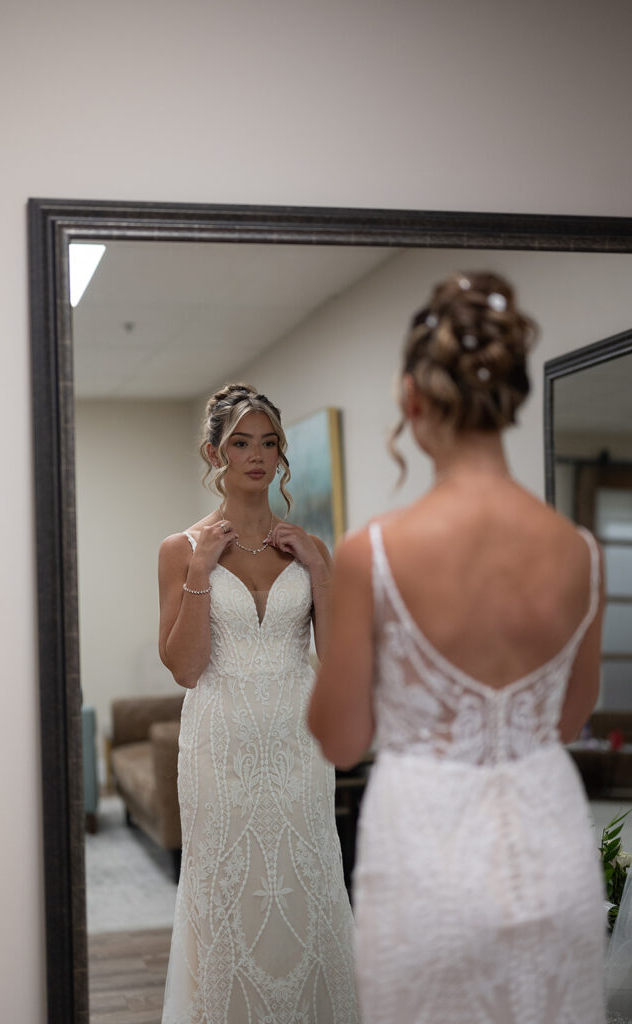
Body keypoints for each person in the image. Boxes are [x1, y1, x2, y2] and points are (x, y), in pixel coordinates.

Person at [308, 272, 606, 1024]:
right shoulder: (579, 551)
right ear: (508, 402)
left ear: (411, 399)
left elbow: (340, 738)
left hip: (426, 857)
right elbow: (569, 721)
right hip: (552, 847)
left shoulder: (372, 549)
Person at [158, 383, 358, 1024]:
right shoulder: (180, 550)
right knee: (227, 889)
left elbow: (337, 658)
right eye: (241, 442)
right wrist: (198, 574)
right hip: (220, 748)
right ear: (213, 452)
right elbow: (186, 668)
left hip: (299, 746)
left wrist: (321, 575)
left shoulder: (310, 548)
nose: (257, 456)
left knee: (304, 882)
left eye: (268, 442)